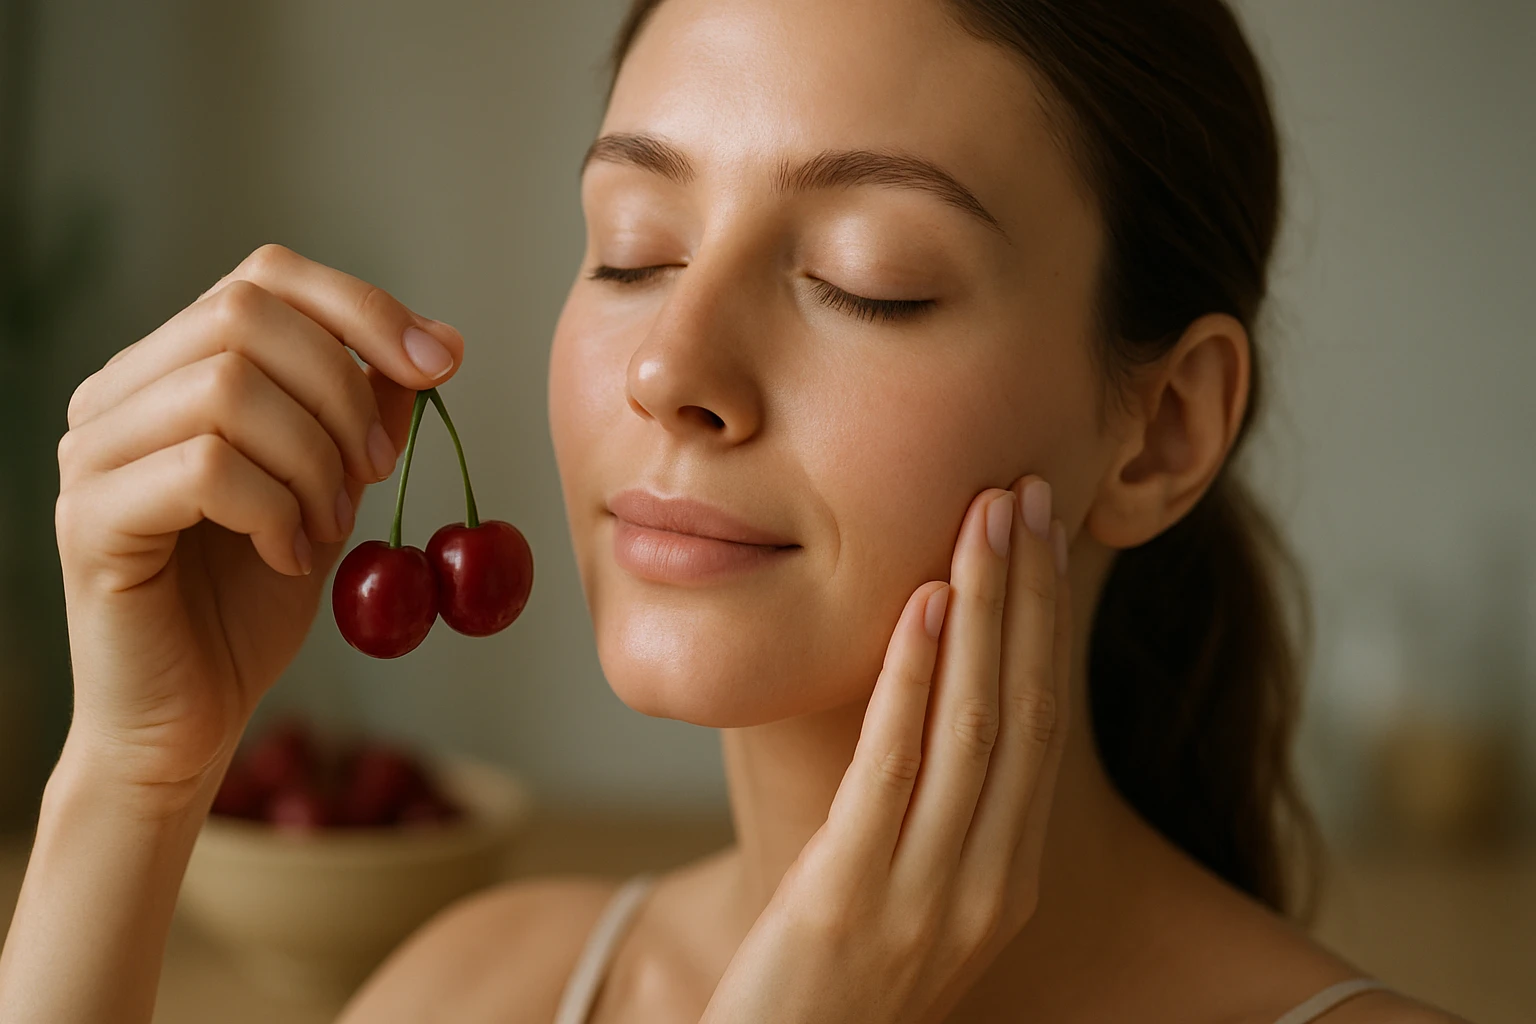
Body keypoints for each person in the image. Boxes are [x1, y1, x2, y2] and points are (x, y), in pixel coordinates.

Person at [0, 0, 1469, 1022]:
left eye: (865, 276)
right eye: (633, 251)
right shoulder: (482, 991)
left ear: (1160, 431)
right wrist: (130, 781)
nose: (670, 367)